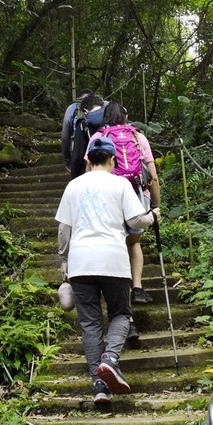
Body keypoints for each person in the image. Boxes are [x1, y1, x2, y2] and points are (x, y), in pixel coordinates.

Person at [55, 135, 160, 406]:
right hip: (113, 261)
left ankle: (99, 386)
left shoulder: (73, 186)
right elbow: (135, 220)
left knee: (90, 324)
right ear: (113, 159)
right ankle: (110, 360)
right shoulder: (121, 184)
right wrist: (153, 216)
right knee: (121, 314)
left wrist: (64, 261)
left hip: (81, 263)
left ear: (88, 159)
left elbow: (64, 229)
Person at [88, 100, 160, 306]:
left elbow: (89, 171)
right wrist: (155, 206)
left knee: (115, 241)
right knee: (134, 242)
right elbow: (153, 177)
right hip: (137, 193)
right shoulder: (138, 136)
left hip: (108, 196)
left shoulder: (98, 138)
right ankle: (137, 288)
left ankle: (118, 292)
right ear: (125, 117)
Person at [60, 89, 106, 178]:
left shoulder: (72, 108)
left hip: (81, 150)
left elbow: (65, 136)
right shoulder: (106, 107)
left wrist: (68, 160)